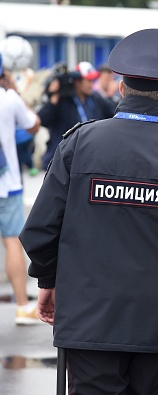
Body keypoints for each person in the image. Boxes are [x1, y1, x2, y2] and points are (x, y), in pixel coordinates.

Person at [19, 29, 158, 394]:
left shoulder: (78, 145)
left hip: (88, 320)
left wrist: (47, 281)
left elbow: (41, 229)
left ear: (120, 90)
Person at [0, 54, 41, 325]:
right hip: (7, 183)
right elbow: (33, 124)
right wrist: (14, 91)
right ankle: (23, 307)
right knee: (12, 241)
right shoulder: (8, 98)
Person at [38, 61, 114, 169]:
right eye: (88, 80)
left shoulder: (95, 98)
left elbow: (113, 111)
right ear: (77, 82)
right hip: (63, 163)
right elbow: (41, 120)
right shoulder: (63, 101)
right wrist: (53, 98)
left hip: (91, 160)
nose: (92, 84)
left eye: (93, 80)